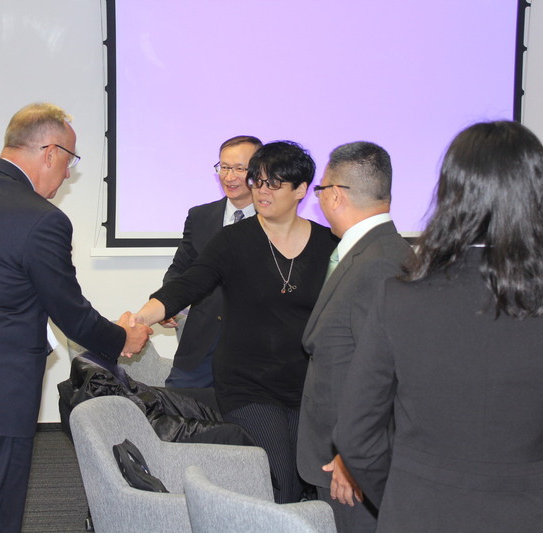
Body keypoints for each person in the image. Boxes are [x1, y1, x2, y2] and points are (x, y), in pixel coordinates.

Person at [334, 121, 543, 533]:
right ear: (542, 197)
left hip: (417, 515)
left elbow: (355, 436)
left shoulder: (400, 299)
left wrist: (406, 497)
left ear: (452, 196)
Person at [0, 102, 151, 533]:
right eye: (71, 161)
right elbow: (71, 314)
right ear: (50, 152)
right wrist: (122, 337)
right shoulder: (43, 220)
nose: (69, 175)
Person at [133, 141, 338, 503]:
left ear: (301, 190)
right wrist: (139, 317)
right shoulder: (233, 240)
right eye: (257, 181)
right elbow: (187, 285)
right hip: (247, 384)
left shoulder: (327, 244)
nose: (261, 191)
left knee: (308, 479)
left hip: (304, 385)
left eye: (273, 184)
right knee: (281, 481)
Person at [297, 141, 411, 532]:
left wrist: (353, 457)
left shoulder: (378, 263)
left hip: (350, 464)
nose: (320, 198)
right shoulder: (371, 251)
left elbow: (388, 374)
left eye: (321, 189)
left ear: (337, 196)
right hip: (340, 454)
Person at [162, 135, 262, 388]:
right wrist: (167, 303)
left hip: (255, 353)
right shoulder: (200, 216)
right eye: (224, 167)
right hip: (199, 348)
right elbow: (179, 270)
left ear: (259, 172)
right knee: (176, 413)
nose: (229, 177)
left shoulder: (274, 221)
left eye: (240, 169)